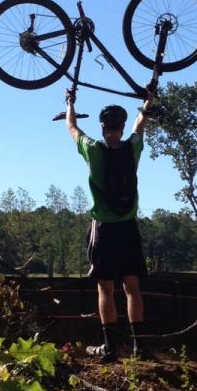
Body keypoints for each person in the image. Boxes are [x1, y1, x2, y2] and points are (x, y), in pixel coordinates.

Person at [66, 86, 155, 362]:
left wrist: (70, 103)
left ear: (103, 127)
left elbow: (71, 128)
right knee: (132, 288)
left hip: (104, 229)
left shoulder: (93, 150)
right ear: (121, 126)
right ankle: (140, 347)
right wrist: (148, 100)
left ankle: (110, 347)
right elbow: (141, 123)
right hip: (128, 228)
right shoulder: (132, 148)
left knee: (104, 288)